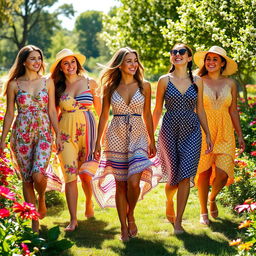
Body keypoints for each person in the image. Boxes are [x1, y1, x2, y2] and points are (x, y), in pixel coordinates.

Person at [93, 47, 162, 242]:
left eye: (135, 61)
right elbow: (104, 115)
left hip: (139, 135)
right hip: (115, 136)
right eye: (129, 61)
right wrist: (98, 143)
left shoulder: (145, 85)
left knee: (134, 182)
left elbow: (147, 114)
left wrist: (152, 139)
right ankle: (123, 226)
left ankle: (130, 213)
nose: (133, 65)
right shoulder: (110, 87)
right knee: (121, 185)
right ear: (120, 64)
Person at [0, 45, 62, 232]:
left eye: (39, 58)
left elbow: (52, 110)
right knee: (27, 179)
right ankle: (35, 222)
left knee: (38, 174)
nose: (37, 62)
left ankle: (41, 198)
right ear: (24, 61)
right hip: (22, 135)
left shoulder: (48, 82)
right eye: (33, 58)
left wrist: (58, 134)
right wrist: (2, 140)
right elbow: (10, 114)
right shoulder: (14, 84)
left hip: (43, 132)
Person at [153, 43, 213, 234]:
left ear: (189, 58)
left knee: (186, 176)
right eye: (174, 52)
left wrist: (208, 134)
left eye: (181, 52)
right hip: (169, 129)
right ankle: (169, 200)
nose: (177, 55)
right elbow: (157, 111)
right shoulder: (164, 80)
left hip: (192, 130)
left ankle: (178, 222)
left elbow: (201, 109)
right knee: (172, 179)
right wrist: (149, 136)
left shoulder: (197, 81)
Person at [50, 48, 101, 231]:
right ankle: (73, 219)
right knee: (70, 176)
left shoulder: (90, 82)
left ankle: (88, 201)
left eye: (73, 62)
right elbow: (53, 114)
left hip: (88, 131)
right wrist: (53, 136)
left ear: (77, 64)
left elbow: (101, 112)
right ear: (61, 68)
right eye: (66, 63)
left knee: (86, 175)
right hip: (65, 134)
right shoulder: (57, 86)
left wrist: (99, 141)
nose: (70, 66)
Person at [193, 46, 245, 225]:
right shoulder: (197, 80)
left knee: (223, 173)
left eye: (215, 59)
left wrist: (240, 134)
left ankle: (212, 197)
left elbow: (233, 110)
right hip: (203, 129)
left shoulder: (230, 84)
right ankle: (202, 211)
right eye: (208, 59)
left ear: (222, 63)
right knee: (204, 172)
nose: (211, 62)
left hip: (225, 130)